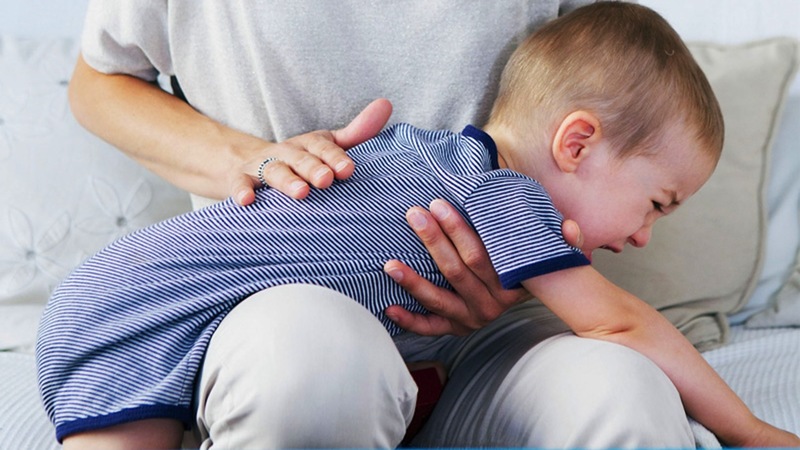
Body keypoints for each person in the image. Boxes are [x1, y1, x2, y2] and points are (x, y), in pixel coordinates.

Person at [39, 3, 800, 448]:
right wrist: (752, 434)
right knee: (310, 369)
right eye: (658, 204)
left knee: (622, 395)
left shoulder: (417, 153)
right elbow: (625, 324)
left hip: (104, 300)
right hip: (161, 316)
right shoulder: (501, 195)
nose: (643, 237)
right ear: (574, 142)